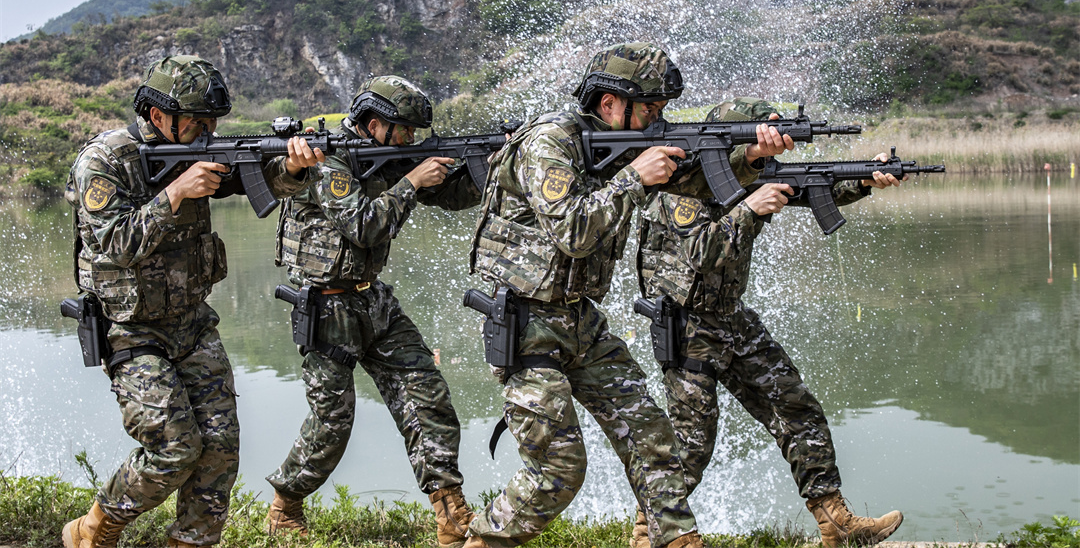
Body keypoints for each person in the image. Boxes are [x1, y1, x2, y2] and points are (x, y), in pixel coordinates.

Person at [463, 44, 790, 548]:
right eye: (651, 109)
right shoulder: (551, 141)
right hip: (526, 322)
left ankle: (676, 541)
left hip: (579, 318)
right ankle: (483, 541)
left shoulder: (621, 143)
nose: (658, 121)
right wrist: (636, 177)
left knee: (652, 437)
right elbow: (572, 230)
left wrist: (749, 157)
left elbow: (696, 184)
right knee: (559, 469)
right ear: (612, 102)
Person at [62, 55, 323, 548]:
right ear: (159, 115)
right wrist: (174, 195)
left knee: (220, 448)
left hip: (193, 324)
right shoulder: (104, 162)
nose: (207, 133)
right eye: (197, 123)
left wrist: (290, 167)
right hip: (129, 329)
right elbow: (115, 243)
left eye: (213, 123)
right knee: (174, 448)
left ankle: (191, 542)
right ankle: (96, 526)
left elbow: (257, 180)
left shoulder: (195, 152)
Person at [632, 97, 905, 548]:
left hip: (732, 317)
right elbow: (701, 254)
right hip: (687, 324)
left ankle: (835, 522)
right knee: (691, 444)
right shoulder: (680, 183)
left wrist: (864, 178)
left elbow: (814, 186)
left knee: (796, 408)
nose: (763, 151)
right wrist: (751, 208)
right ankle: (650, 536)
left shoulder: (755, 176)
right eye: (752, 142)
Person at [265, 76, 479, 548]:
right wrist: (410, 181)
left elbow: (454, 197)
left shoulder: (389, 156)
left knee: (428, 396)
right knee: (333, 422)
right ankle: (285, 504)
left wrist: (485, 165)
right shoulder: (330, 159)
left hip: (373, 299)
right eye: (403, 131)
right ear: (375, 124)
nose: (409, 141)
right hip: (326, 306)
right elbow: (363, 225)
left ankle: (450, 512)